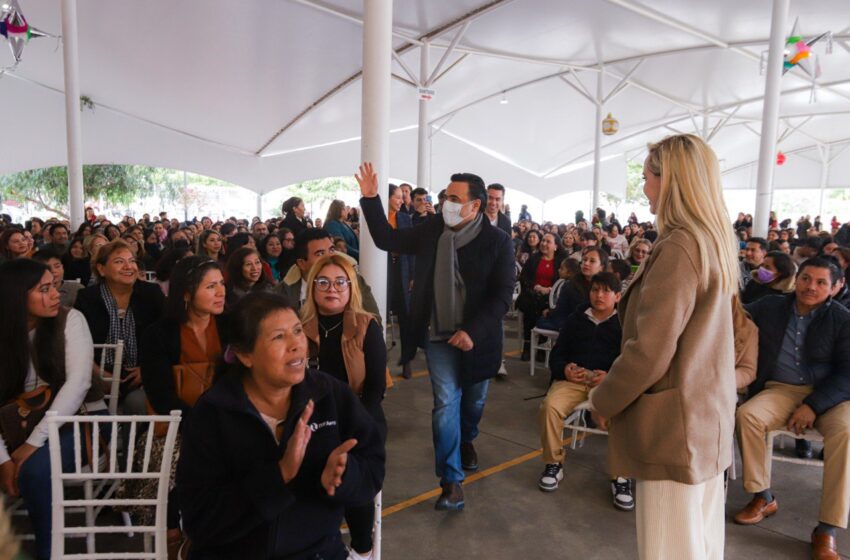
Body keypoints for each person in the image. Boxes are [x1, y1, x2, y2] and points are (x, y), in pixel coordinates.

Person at [589, 134, 739, 560]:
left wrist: (605, 398)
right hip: (703, 419)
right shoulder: (710, 240)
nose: (645, 188)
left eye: (648, 177)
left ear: (671, 180)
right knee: (701, 545)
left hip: (673, 429)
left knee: (670, 549)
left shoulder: (679, 246)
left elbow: (650, 352)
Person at [176, 292, 385, 559]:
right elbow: (200, 520)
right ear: (244, 355)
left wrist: (344, 476)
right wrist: (279, 476)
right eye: (278, 337)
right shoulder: (214, 412)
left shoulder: (330, 395)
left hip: (317, 553)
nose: (297, 344)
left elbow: (373, 465)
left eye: (297, 331)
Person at [357, 162, 515, 511]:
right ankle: (451, 480)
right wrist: (370, 199)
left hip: (479, 337)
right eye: (446, 196)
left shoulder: (498, 242)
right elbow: (386, 239)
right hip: (436, 334)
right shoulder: (432, 229)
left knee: (472, 403)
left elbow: (502, 295)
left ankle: (467, 439)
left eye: (455, 198)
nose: (447, 203)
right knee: (446, 402)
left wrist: (472, 331)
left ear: (475, 206)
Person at [735, 258, 850, 559]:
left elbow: (848, 374)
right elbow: (735, 313)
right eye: (806, 278)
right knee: (747, 416)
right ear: (796, 279)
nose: (811, 286)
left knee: (846, 432)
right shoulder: (771, 306)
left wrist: (813, 405)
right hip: (781, 389)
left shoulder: (843, 319)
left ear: (837, 287)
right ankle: (763, 496)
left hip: (830, 396)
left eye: (821, 282)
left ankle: (827, 528)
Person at [0, 259, 107, 560]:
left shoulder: (70, 320)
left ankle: (49, 553)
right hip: (14, 423)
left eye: (54, 287)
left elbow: (79, 384)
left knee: (34, 471)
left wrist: (33, 443)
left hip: (82, 419)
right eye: (44, 289)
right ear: (15, 296)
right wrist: (3, 459)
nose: (56, 295)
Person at [139, 256, 228, 552]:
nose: (221, 292)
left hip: (226, 419)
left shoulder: (231, 326)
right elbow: (160, 394)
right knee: (183, 455)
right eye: (211, 286)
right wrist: (198, 424)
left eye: (222, 285)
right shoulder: (158, 333)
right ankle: (173, 524)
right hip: (176, 422)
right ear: (187, 293)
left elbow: (241, 381)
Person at [301, 254, 386, 559]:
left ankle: (362, 548)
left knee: (351, 465)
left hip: (361, 416)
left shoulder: (367, 325)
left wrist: (352, 423)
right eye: (323, 282)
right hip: (312, 420)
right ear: (312, 288)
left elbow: (376, 388)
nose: (332, 288)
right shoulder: (299, 327)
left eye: (340, 282)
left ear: (351, 288)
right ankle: (315, 541)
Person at [538, 273, 630, 506]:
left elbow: (631, 362)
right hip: (573, 381)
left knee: (626, 416)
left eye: (606, 291)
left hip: (608, 383)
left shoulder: (625, 325)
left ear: (617, 296)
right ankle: (553, 463)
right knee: (549, 407)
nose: (599, 296)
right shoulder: (575, 319)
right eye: (595, 290)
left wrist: (611, 375)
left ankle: (621, 476)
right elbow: (557, 355)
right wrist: (565, 369)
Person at [75, 240, 165, 416]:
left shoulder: (151, 293)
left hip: (141, 374)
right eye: (118, 262)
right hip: (95, 374)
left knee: (138, 404)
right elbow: (77, 344)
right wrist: (99, 374)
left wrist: (146, 369)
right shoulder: (87, 298)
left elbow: (166, 337)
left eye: (132, 261)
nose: (128, 267)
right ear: (101, 269)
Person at [274, 228, 380, 318]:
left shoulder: (353, 280)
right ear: (302, 263)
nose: (329, 257)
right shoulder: (281, 293)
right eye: (320, 254)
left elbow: (374, 319)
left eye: (331, 250)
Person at [517, 232, 563, 361]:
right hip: (532, 294)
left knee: (545, 307)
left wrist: (549, 289)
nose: (544, 244)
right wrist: (535, 287)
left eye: (548, 242)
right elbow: (524, 278)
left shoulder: (560, 262)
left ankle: (542, 345)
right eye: (543, 241)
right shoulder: (534, 258)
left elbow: (563, 281)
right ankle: (528, 346)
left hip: (552, 297)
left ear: (556, 246)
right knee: (531, 306)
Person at [387, 184, 416, 379]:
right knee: (380, 313)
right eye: (397, 197)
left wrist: (413, 275)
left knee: (406, 316)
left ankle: (407, 360)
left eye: (402, 197)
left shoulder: (405, 219)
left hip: (403, 269)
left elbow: (412, 248)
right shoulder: (378, 218)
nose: (401, 200)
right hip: (384, 270)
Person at [547, 246, 608, 332]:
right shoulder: (570, 285)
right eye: (584, 260)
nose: (586, 263)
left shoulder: (608, 286)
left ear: (602, 267)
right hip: (574, 328)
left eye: (592, 261)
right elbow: (560, 313)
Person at [224, 246, 272, 310]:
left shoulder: (268, 288)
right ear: (238, 268)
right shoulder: (229, 294)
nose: (255, 268)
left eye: (257, 262)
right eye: (248, 264)